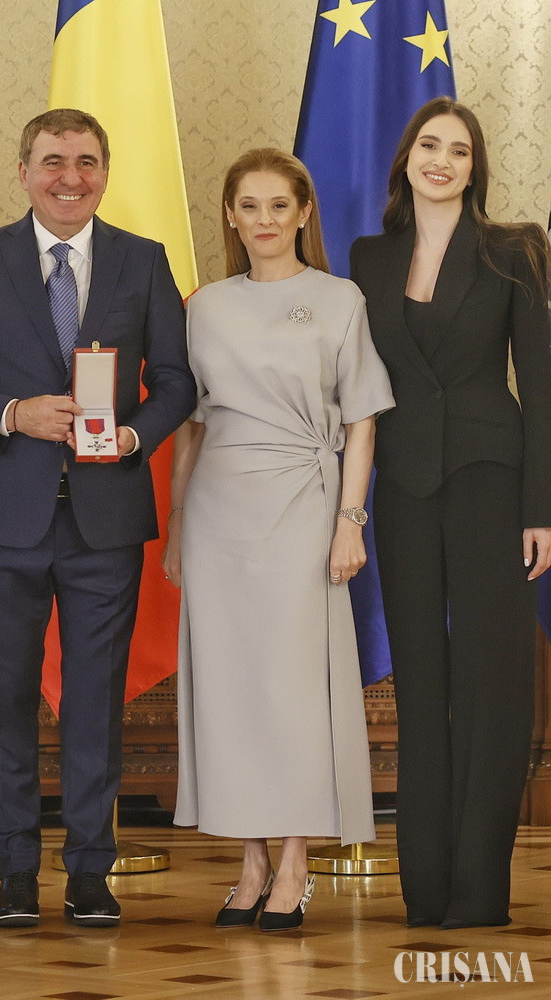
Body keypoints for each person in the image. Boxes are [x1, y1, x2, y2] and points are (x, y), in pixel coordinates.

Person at [0, 108, 195, 928]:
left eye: (86, 161)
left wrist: (133, 435)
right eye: (52, 162)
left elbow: (176, 380)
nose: (70, 177)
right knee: (5, 699)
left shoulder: (145, 260)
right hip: (5, 519)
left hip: (107, 519)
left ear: (104, 171)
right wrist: (12, 414)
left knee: (94, 702)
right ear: (24, 171)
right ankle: (13, 874)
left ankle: (89, 872)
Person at [164, 149, 394, 931]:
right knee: (231, 690)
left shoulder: (338, 299)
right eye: (248, 206)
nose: (263, 219)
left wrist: (350, 522)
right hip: (218, 513)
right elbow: (191, 425)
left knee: (293, 691)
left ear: (303, 213)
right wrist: (177, 523)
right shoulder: (204, 307)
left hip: (305, 505)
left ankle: (295, 859)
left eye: (278, 205)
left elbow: (361, 420)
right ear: (230, 216)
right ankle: (252, 860)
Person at [350, 97, 551, 929]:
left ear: (475, 168)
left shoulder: (517, 249)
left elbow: (541, 383)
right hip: (401, 483)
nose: (441, 160)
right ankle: (426, 887)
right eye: (429, 145)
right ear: (406, 159)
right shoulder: (367, 258)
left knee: (491, 683)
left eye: (459, 150)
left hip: (491, 484)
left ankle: (478, 890)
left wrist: (542, 508)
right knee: (422, 680)